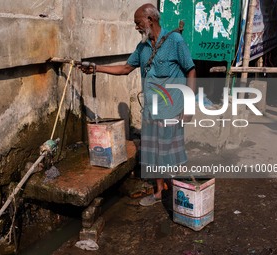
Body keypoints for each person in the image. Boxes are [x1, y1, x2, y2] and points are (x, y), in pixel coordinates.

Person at [81, 3, 196, 206]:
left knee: (171, 154)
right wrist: (97, 68)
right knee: (153, 153)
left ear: (150, 20)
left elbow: (191, 70)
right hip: (151, 111)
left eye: (138, 23)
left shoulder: (175, 41)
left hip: (171, 109)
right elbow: (126, 68)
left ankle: (183, 194)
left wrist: (189, 106)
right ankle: (160, 191)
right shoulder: (142, 48)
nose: (136, 27)